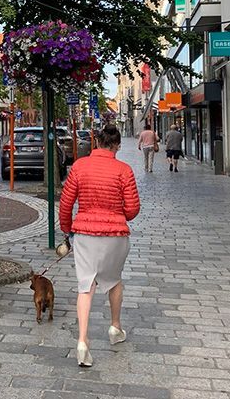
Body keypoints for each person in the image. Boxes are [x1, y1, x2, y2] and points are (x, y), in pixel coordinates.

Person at [59, 124, 140, 367]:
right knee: (114, 280)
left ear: (96, 142)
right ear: (116, 145)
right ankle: (115, 327)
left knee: (86, 286)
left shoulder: (80, 166)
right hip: (115, 234)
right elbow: (133, 209)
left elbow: (66, 203)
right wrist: (117, 213)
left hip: (84, 233)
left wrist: (67, 229)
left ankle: (83, 341)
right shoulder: (124, 170)